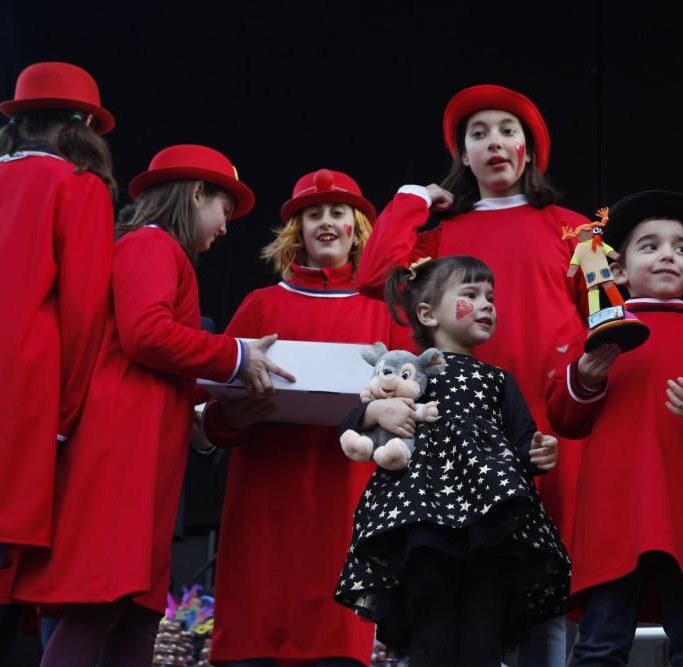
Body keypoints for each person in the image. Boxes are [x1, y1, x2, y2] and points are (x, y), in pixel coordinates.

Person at [11, 144, 291, 667]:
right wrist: (234, 354)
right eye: (224, 212)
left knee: (138, 615)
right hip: (121, 453)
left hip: (145, 458)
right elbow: (145, 334)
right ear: (198, 194)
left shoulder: (157, 251)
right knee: (102, 603)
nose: (226, 229)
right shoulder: (151, 245)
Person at [355, 85, 588, 664]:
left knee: (545, 576)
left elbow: (607, 318)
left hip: (548, 429)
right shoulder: (436, 236)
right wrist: (413, 199)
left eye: (508, 131)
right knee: (455, 585)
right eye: (478, 134)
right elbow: (374, 274)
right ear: (463, 155)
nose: (495, 143)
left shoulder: (577, 229)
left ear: (529, 151)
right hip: (455, 445)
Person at [202, 169, 409, 667]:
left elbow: (412, 414)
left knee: (335, 647)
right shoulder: (260, 305)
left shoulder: (383, 311)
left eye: (338, 212)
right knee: (254, 642)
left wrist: (384, 413)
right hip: (263, 507)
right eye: (313, 214)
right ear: (296, 231)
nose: (326, 222)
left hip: (345, 504)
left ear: (358, 227)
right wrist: (234, 416)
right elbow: (210, 417)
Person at [546, 191, 683, 665]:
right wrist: (585, 376)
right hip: (613, 518)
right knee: (600, 646)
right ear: (618, 271)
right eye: (650, 245)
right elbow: (563, 417)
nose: (668, 254)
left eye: (681, 248)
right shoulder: (596, 334)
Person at [0, 61, 117, 664]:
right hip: (21, 389)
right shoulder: (78, 188)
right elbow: (82, 317)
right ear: (83, 127)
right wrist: (66, 416)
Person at [336, 256, 570, 667]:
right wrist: (377, 414)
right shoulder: (407, 375)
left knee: (484, 633)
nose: (486, 305)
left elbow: (521, 446)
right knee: (433, 628)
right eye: (470, 295)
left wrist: (538, 454)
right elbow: (353, 421)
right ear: (427, 313)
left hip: (489, 526)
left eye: (491, 297)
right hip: (424, 522)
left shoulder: (498, 380)